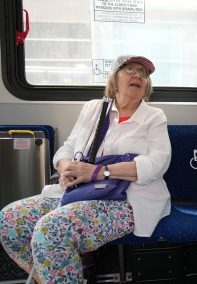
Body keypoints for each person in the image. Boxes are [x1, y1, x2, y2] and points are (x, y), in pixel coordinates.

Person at [0, 55, 171, 283]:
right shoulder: (93, 109)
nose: (139, 75)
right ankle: (54, 277)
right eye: (130, 69)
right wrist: (66, 168)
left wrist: (99, 172)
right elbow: (66, 149)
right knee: (9, 220)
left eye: (144, 73)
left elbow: (158, 164)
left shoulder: (153, 117)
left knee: (52, 229)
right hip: (79, 190)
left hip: (126, 199)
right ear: (114, 77)